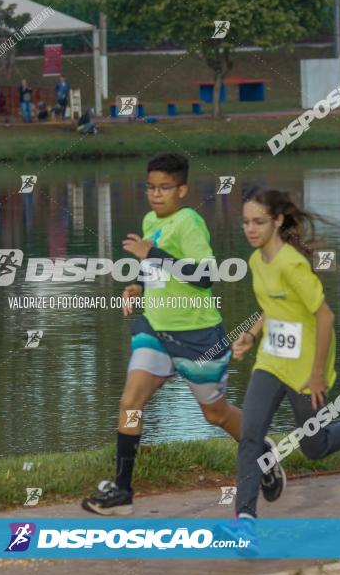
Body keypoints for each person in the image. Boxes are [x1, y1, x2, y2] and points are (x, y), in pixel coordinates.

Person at [81, 154, 282, 516]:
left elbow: (205, 276)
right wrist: (137, 285)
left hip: (198, 336)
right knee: (130, 404)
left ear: (182, 189)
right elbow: (153, 268)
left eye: (164, 188)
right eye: (151, 187)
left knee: (216, 414)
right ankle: (123, 491)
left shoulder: (190, 222)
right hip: (155, 331)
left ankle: (263, 454)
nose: (156, 195)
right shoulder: (148, 220)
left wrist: (152, 253)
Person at [220, 186, 340, 553]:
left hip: (306, 367)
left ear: (278, 221)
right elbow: (271, 307)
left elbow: (325, 316)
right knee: (251, 433)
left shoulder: (292, 264)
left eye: (258, 222)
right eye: (245, 222)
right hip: (271, 362)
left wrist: (317, 373)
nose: (250, 229)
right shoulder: (257, 262)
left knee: (314, 447)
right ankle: (245, 523)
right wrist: (251, 335)